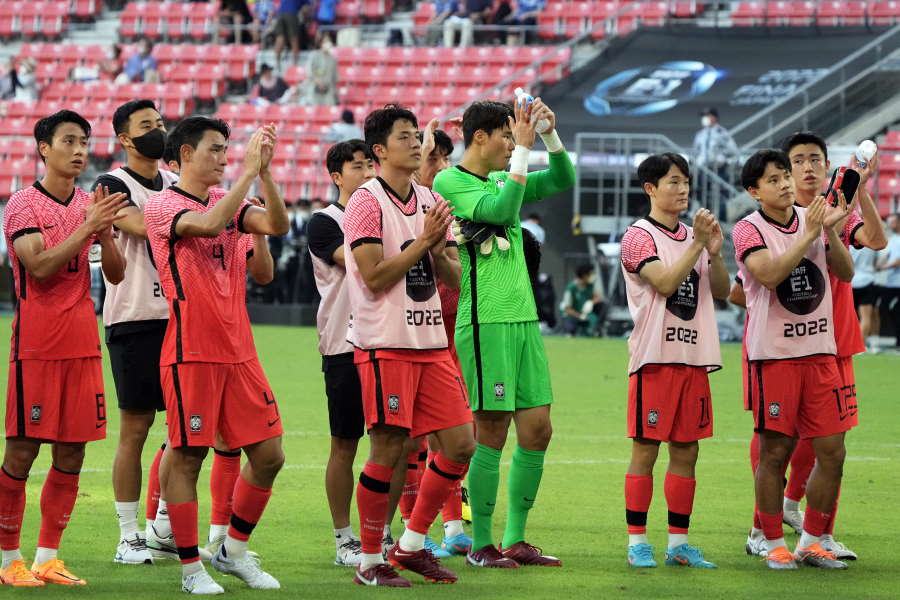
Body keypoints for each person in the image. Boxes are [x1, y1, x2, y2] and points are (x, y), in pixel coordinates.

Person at [143, 118, 289, 593]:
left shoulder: (232, 199)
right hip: (192, 349)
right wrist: (247, 174)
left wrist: (264, 174)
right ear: (186, 154)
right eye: (216, 149)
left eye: (228, 150)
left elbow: (277, 225)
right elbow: (206, 226)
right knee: (188, 456)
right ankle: (190, 569)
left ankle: (234, 551)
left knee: (269, 455)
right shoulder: (163, 204)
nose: (225, 158)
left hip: (239, 351)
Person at [432, 98, 575, 568]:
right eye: (507, 137)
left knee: (538, 429)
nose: (513, 145)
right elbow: (499, 210)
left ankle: (515, 538)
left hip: (523, 318)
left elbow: (563, 178)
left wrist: (548, 135)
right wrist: (524, 153)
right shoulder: (449, 181)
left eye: (515, 138)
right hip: (484, 319)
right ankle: (481, 544)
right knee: (491, 431)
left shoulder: (501, 176)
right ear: (480, 137)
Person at [343, 104, 475, 587]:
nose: (416, 143)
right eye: (405, 136)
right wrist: (424, 242)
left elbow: (453, 277)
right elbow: (375, 276)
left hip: (431, 343)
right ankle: (369, 560)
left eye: (417, 135)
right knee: (388, 448)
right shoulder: (365, 201)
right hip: (385, 344)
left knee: (460, 443)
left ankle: (412, 545)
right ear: (379, 150)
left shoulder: (430, 200)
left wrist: (440, 250)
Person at [0, 110, 127, 587]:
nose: (79, 151)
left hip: (82, 344)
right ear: (44, 148)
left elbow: (115, 274)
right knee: (22, 453)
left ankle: (47, 558)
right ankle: (8, 559)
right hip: (36, 346)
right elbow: (39, 267)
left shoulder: (90, 204)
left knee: (72, 454)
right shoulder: (23, 204)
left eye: (84, 142)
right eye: (69, 141)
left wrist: (105, 235)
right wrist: (87, 226)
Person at [750, 132, 887, 559]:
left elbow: (876, 241)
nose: (807, 167)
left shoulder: (838, 210)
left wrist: (861, 189)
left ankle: (818, 533)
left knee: (830, 441)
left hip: (834, 339)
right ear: (783, 171)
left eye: (815, 159)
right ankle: (763, 528)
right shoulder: (766, 224)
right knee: (776, 438)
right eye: (798, 161)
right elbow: (748, 285)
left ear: (828, 166)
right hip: (778, 346)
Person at [733, 149, 854, 570]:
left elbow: (846, 273)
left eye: (786, 175)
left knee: (833, 452)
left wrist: (830, 231)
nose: (785, 183)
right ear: (755, 191)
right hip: (775, 358)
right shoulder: (747, 229)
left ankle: (813, 541)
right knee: (775, 453)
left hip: (821, 354)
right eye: (774, 179)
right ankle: (771, 542)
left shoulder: (814, 219)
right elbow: (769, 275)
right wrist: (810, 233)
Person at [619, 153, 728, 569]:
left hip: (693, 358)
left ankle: (678, 545)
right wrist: (698, 243)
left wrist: (715, 253)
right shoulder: (638, 236)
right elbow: (665, 283)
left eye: (685, 182)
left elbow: (721, 291)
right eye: (673, 182)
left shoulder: (692, 236)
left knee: (687, 451)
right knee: (645, 450)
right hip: (655, 359)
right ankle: (637, 542)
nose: (682, 190)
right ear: (651, 188)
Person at [90, 100, 178, 566]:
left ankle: (163, 526)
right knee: (136, 428)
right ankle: (128, 535)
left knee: (187, 427)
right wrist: (190, 220)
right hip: (135, 317)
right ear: (124, 138)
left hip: (180, 317)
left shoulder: (174, 183)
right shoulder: (112, 184)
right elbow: (143, 226)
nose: (158, 130)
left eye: (160, 123)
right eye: (147, 125)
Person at [307, 140, 376, 568]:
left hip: (388, 342)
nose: (367, 173)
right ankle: (344, 539)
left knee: (391, 445)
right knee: (345, 445)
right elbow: (360, 263)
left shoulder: (386, 213)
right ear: (336, 176)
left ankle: (380, 535)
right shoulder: (324, 221)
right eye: (357, 166)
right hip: (344, 345)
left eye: (371, 165)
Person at [691, 107, 739, 219]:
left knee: (720, 192)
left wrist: (723, 158)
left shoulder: (722, 133)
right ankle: (703, 213)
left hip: (718, 168)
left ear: (715, 118)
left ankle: (720, 214)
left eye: (707, 116)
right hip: (703, 168)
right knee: (700, 191)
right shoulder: (700, 134)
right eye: (704, 116)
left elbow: (733, 151)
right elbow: (695, 151)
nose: (705, 118)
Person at [560, 264, 607, 337]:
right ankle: (569, 332)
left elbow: (598, 298)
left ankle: (599, 328)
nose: (593, 276)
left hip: (586, 315)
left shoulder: (590, 286)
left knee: (603, 305)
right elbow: (567, 309)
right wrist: (579, 316)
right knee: (570, 329)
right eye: (591, 274)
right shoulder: (571, 288)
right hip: (573, 316)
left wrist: (591, 302)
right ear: (584, 275)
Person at [875, 214, 900, 348]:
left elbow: (897, 261)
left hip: (898, 283)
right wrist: (879, 264)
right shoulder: (892, 239)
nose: (889, 224)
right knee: (884, 308)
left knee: (896, 310)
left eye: (892, 222)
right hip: (891, 283)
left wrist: (882, 268)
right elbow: (888, 255)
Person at [851, 246, 880, 350]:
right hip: (867, 280)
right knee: (866, 317)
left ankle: (857, 345)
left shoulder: (848, 243)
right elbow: (876, 263)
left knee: (853, 317)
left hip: (851, 281)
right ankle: (860, 346)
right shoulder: (871, 245)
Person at [300, 32, 338, 106]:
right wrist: (318, 82)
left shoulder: (333, 59)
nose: (328, 43)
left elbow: (335, 78)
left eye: (329, 41)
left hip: (328, 91)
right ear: (321, 43)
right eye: (325, 41)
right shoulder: (314, 55)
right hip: (314, 89)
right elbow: (309, 72)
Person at [273, 0, 311, 69]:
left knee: (280, 38)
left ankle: (277, 64)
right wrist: (307, 19)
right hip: (291, 13)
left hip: (280, 13)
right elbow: (306, 8)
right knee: (294, 39)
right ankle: (295, 65)